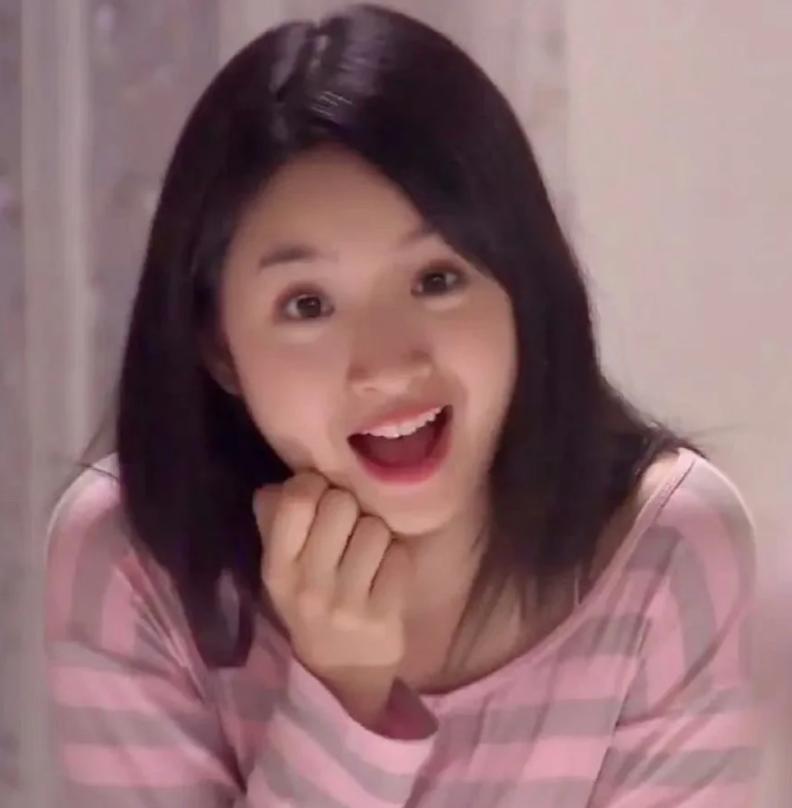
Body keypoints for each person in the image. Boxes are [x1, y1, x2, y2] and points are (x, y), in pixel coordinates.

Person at [44, 3, 760, 805]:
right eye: (307, 305)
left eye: (437, 280)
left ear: (524, 292)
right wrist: (344, 697)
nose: (387, 366)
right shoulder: (133, 565)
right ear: (219, 347)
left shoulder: (665, 551)